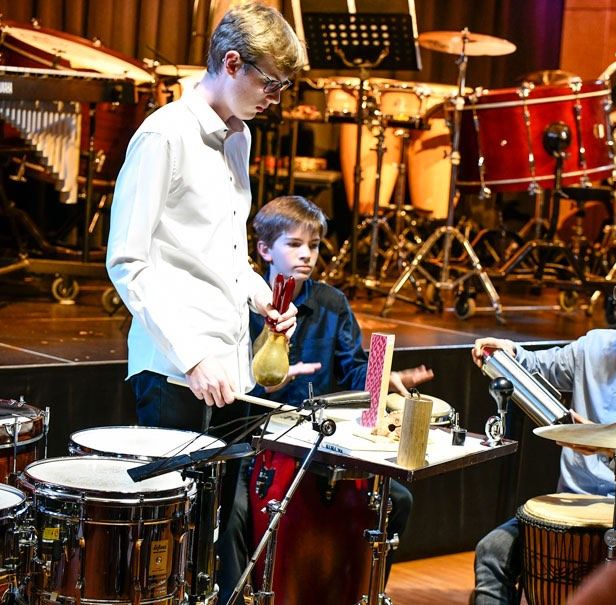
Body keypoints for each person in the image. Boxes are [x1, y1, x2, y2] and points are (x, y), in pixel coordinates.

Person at [106, 4, 305, 603]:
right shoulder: (164, 135)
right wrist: (192, 356)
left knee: (213, 540)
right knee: (170, 544)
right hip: (176, 369)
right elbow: (128, 262)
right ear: (232, 63)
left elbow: (223, 252)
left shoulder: (239, 136)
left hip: (229, 367)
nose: (275, 98)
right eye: (270, 83)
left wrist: (263, 299)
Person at [469, 243, 616, 605]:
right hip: (572, 504)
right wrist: (508, 352)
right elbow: (541, 366)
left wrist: (609, 449)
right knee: (492, 550)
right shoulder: (594, 346)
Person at [249, 195, 434, 578]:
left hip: (318, 438)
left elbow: (354, 369)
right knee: (235, 514)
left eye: (314, 245)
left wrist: (384, 380)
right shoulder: (247, 305)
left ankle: (365, 590)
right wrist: (268, 384)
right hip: (262, 441)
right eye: (294, 244)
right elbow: (234, 391)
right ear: (265, 250)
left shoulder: (332, 303)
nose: (307, 254)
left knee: (397, 500)